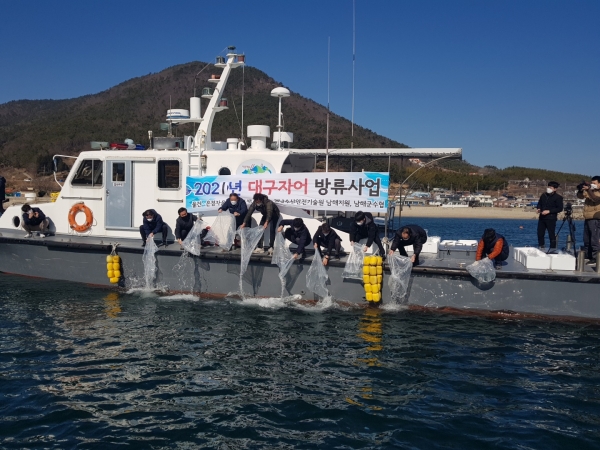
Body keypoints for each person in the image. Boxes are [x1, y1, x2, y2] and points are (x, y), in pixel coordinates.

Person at [577, 176, 600, 265]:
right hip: (588, 217)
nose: (592, 185)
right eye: (591, 183)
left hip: (596, 218)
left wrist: (589, 189)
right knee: (586, 238)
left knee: (594, 238)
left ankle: (595, 257)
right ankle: (588, 255)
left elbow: (595, 199)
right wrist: (580, 189)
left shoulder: (597, 192)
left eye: (594, 183)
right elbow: (580, 197)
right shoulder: (591, 191)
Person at [536, 181, 563, 250]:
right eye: (548, 187)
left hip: (551, 218)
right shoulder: (544, 195)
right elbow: (539, 203)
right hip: (542, 217)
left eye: (551, 187)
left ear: (555, 189)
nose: (549, 188)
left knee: (551, 234)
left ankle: (552, 248)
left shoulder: (558, 197)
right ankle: (541, 246)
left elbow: (560, 208)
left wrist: (549, 211)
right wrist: (539, 208)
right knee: (540, 233)